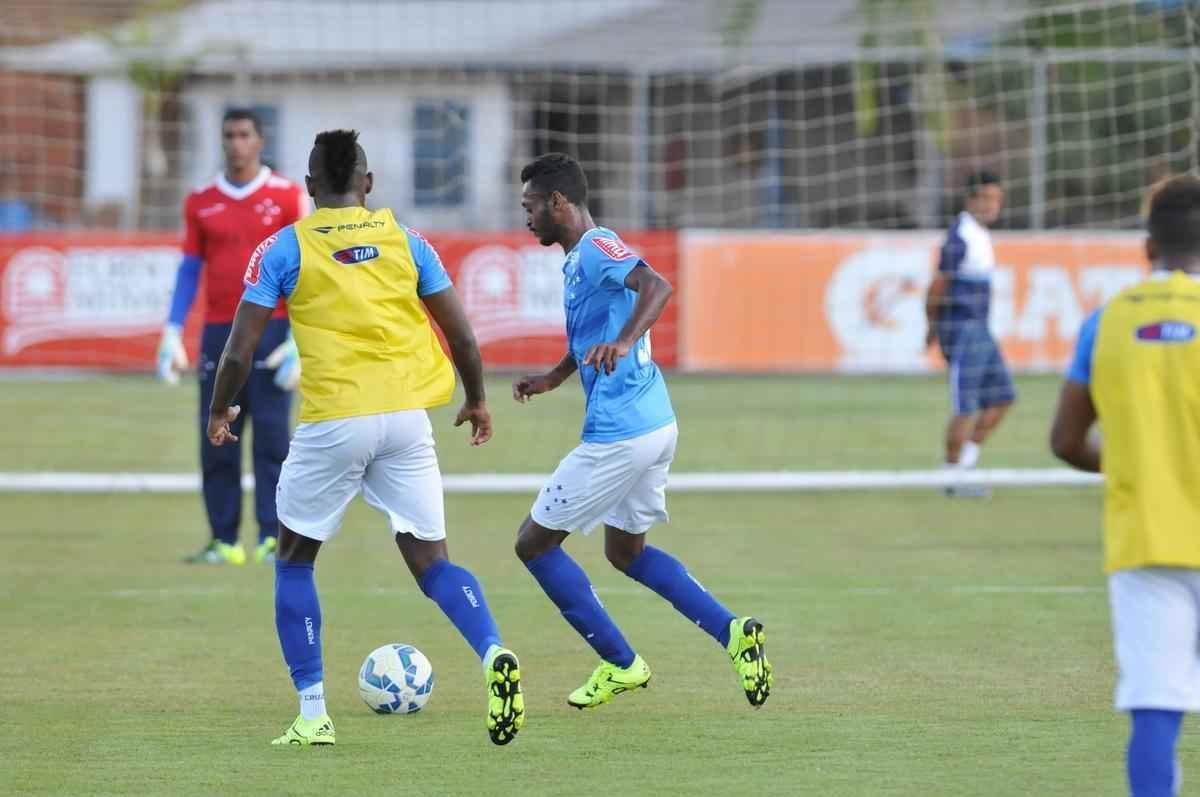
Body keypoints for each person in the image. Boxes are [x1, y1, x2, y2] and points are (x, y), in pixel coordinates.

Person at [206, 129, 523, 747]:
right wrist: (478, 398)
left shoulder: (284, 247)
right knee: (434, 562)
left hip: (336, 420)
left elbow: (238, 349)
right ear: (368, 184)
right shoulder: (407, 240)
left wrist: (222, 410)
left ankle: (313, 714)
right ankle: (491, 654)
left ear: (307, 188)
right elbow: (461, 333)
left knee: (294, 559)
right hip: (408, 419)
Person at [511, 152, 772, 710]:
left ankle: (619, 662)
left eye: (531, 206)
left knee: (533, 544)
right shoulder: (580, 257)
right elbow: (592, 333)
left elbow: (656, 286)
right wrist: (556, 376)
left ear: (559, 202)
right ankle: (734, 633)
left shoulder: (599, 246)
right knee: (626, 553)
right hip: (654, 423)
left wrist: (626, 342)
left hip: (621, 434)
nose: (526, 217)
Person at [1050, 174, 1200, 797]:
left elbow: (1065, 440)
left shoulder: (1104, 323)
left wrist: (1138, 463)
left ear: (1147, 247)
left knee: (1155, 712)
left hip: (1146, 541)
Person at [158, 108, 307, 565]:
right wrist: (172, 330)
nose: (236, 143)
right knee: (217, 435)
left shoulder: (287, 196)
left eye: (244, 134)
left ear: (260, 141)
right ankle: (224, 539)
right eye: (229, 135)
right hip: (220, 331)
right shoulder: (201, 200)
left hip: (273, 328)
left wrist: (302, 339)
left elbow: (309, 265)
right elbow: (189, 267)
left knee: (272, 440)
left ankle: (270, 536)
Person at [924, 170, 1015, 495]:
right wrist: (932, 327)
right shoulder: (959, 236)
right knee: (964, 404)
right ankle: (951, 477)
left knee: (1004, 397)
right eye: (988, 198)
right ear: (972, 199)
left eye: (998, 199)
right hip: (962, 329)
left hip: (981, 329)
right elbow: (937, 286)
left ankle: (965, 462)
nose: (994, 206)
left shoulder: (980, 234)